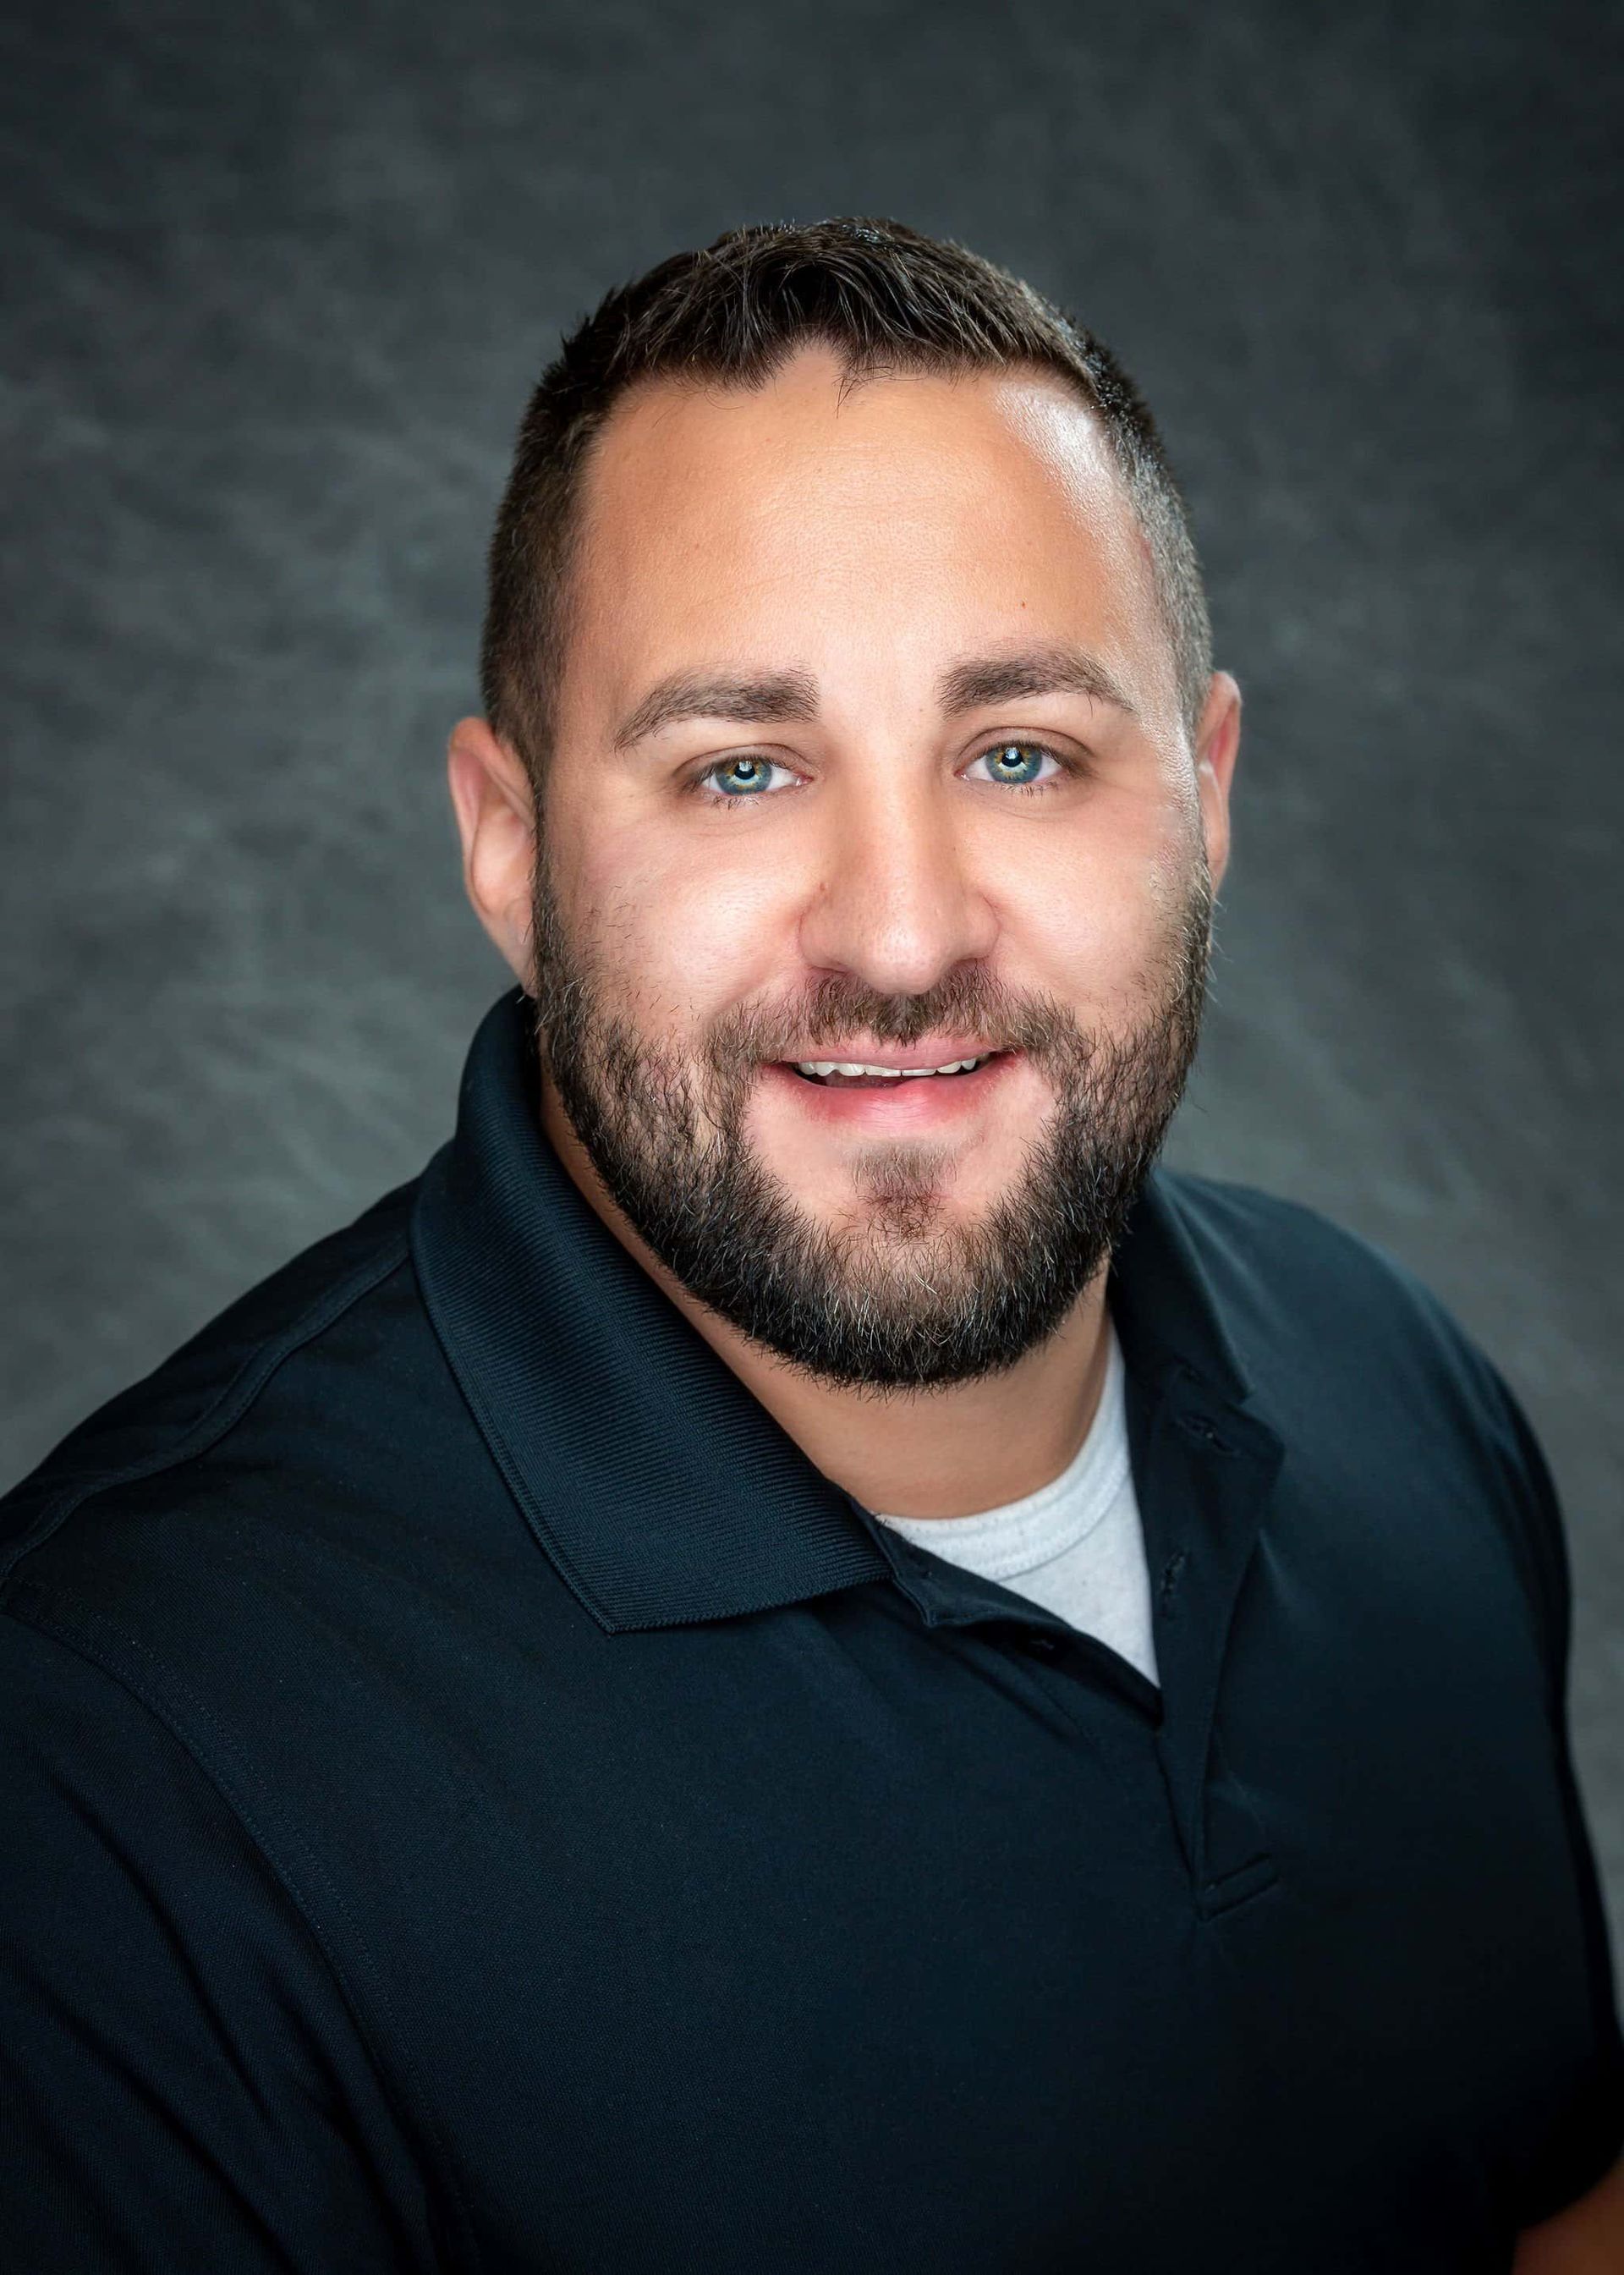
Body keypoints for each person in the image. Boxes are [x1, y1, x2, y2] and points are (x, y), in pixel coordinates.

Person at [2, 217, 1620, 2275]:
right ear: (510, 850)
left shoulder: (1396, 1384)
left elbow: (1558, 2203)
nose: (901, 933)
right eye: (741, 768)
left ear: (1204, 797)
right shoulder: (106, 1760)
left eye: (1020, 751)